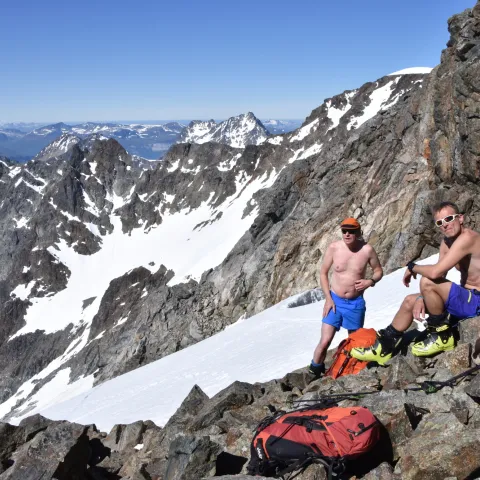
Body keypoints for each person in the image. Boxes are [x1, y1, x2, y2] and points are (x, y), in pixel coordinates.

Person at [351, 201, 480, 365]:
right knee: (409, 301)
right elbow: (439, 276)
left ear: (460, 218)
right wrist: (421, 297)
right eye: (440, 222)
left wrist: (412, 267)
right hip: (466, 298)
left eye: (449, 218)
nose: (445, 225)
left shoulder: (467, 238)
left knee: (427, 280)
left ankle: (442, 336)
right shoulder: (446, 243)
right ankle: (384, 347)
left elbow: (435, 273)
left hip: (476, 301)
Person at [308, 217, 383, 377]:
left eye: (351, 231)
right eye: (344, 231)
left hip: (355, 303)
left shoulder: (367, 250)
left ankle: (351, 372)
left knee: (355, 342)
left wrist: (370, 281)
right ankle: (314, 372)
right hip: (334, 301)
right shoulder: (334, 248)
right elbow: (323, 273)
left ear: (358, 232)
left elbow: (378, 271)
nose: (347, 234)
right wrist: (328, 298)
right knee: (325, 341)